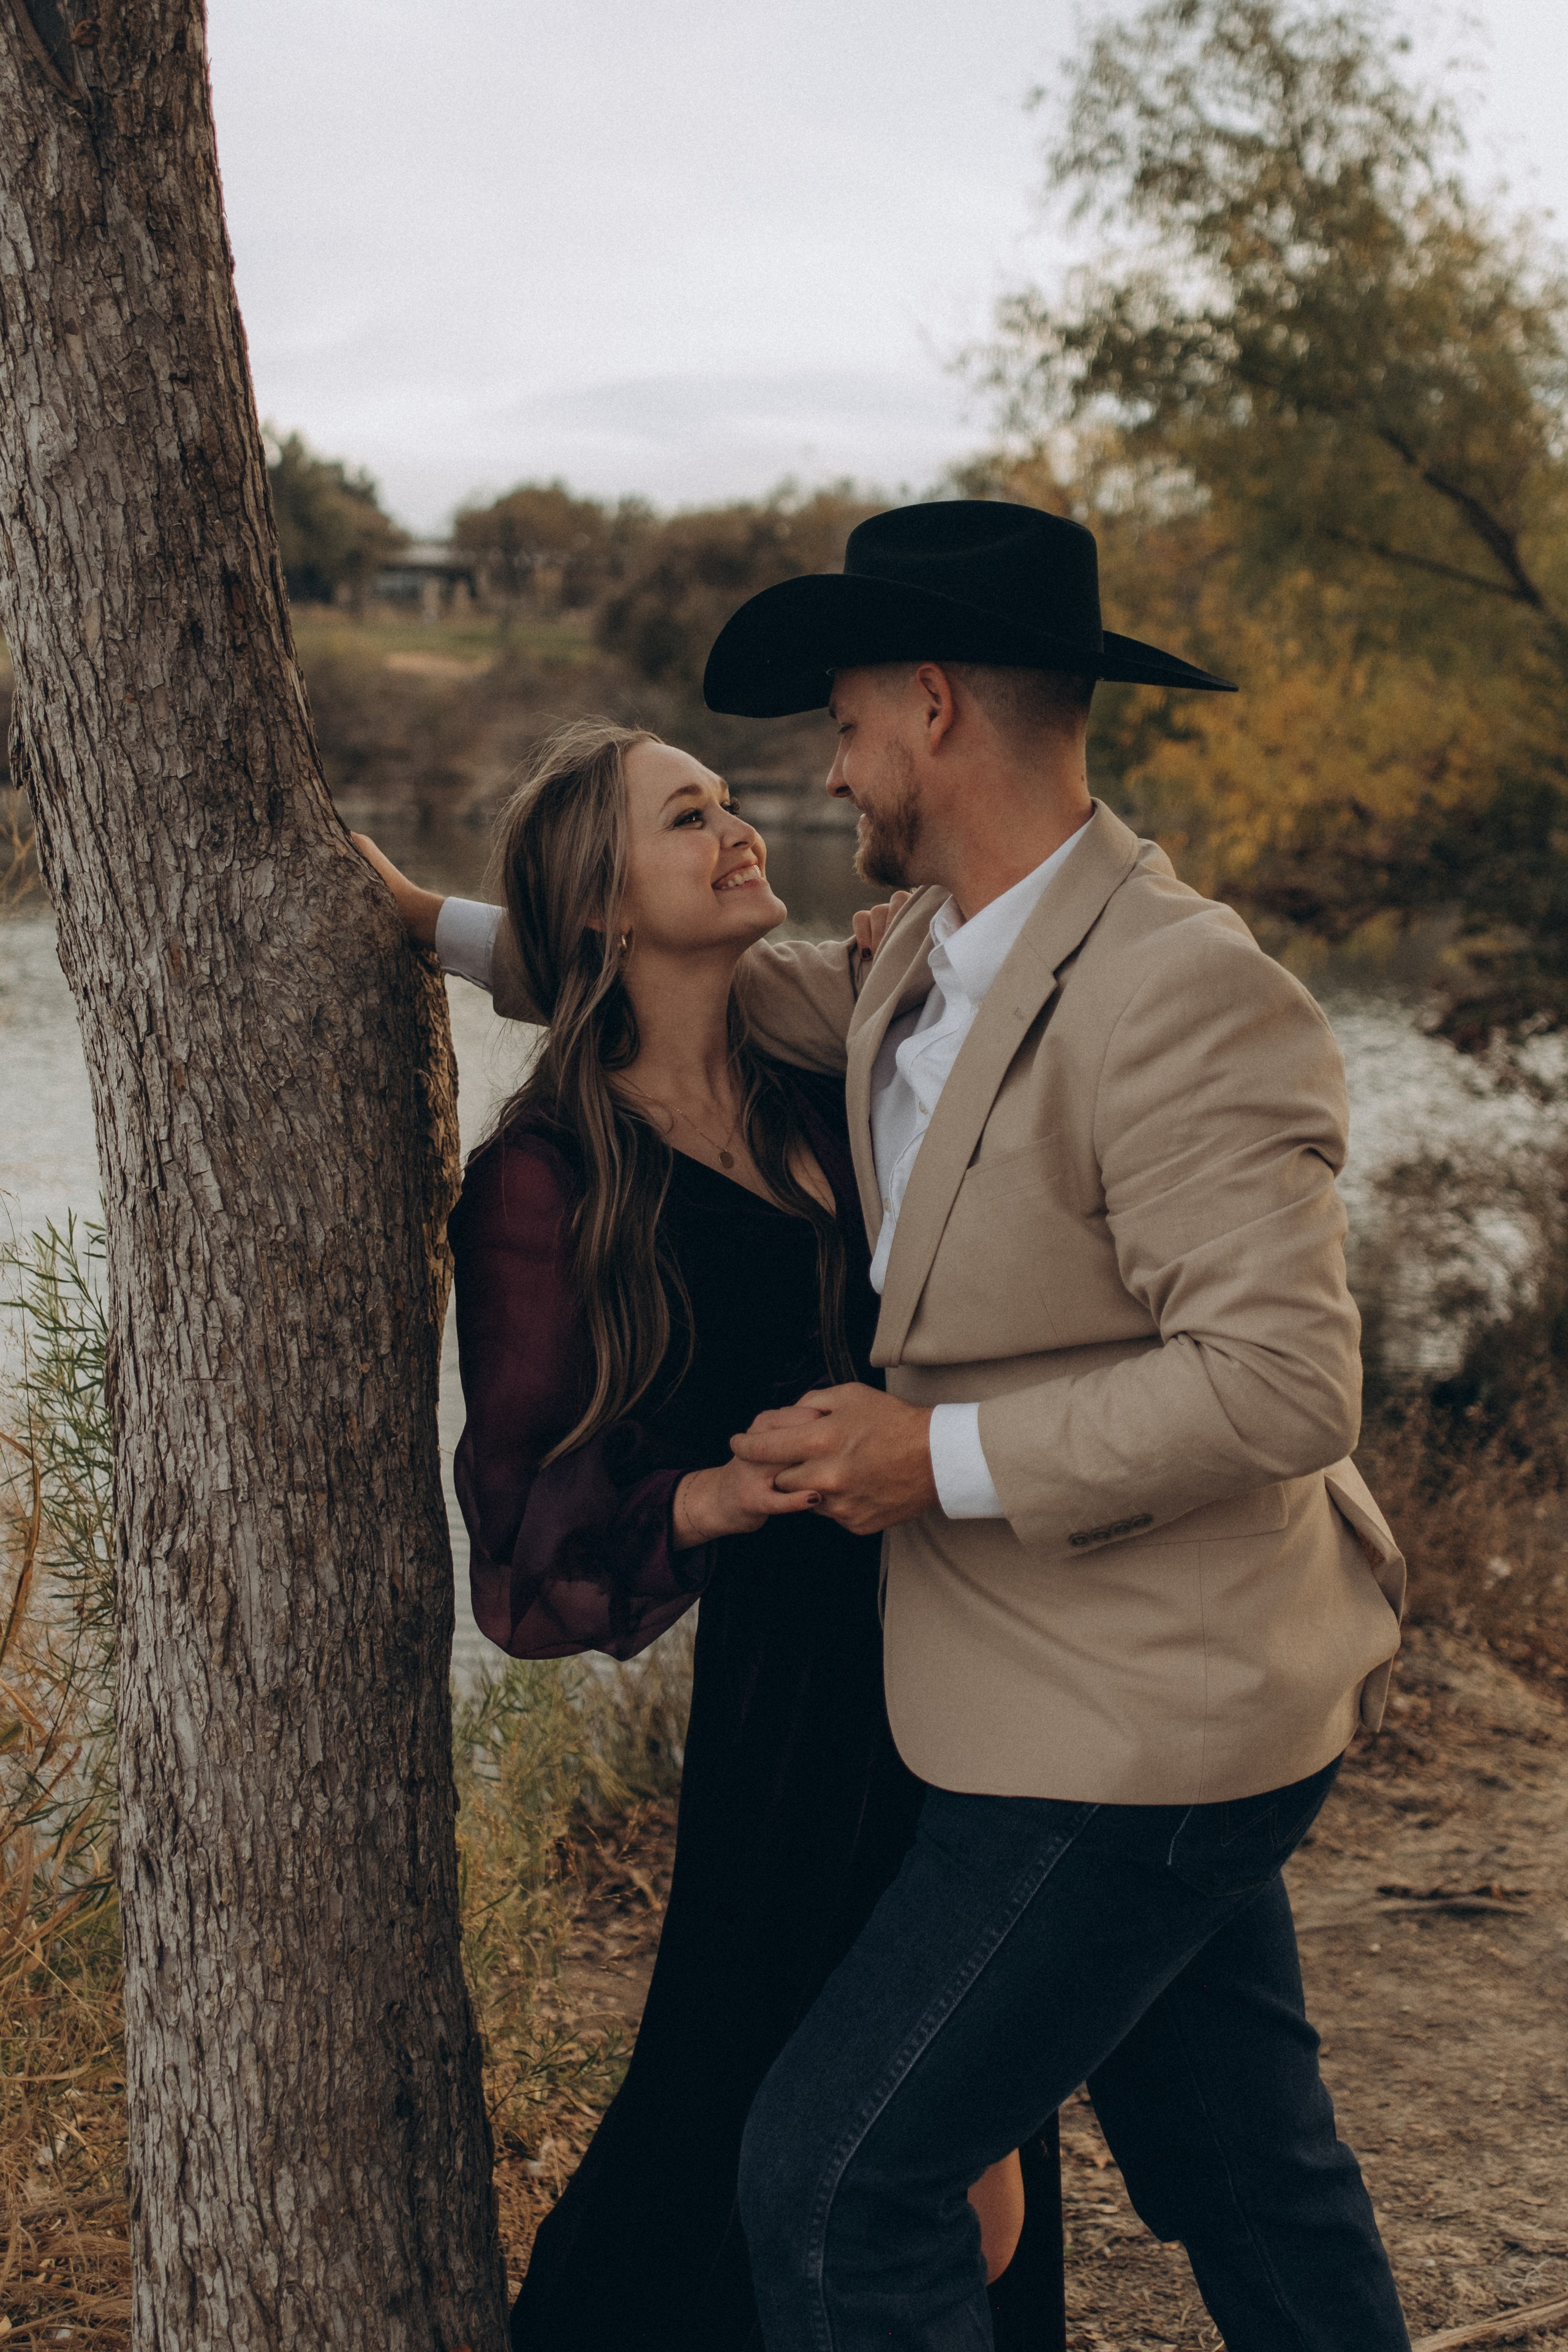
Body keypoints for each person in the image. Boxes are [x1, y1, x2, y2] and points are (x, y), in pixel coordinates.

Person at [421, 500, 1415, 2352]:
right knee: (1248, 2169)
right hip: (984, 1687)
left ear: (935, 708)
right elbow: (647, 984)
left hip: (1143, 1701)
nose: (826, 768)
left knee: (843, 2184)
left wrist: (923, 1458)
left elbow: (1286, 1382)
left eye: (848, 718)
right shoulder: (908, 975)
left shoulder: (1187, 989)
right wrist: (419, 922)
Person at [354, 714, 1061, 2352]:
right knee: (756, 2126)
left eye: (733, 801)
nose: (742, 829)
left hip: (982, 1643)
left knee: (969, 2153)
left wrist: (440, 923)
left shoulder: (833, 1071)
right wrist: (718, 1496)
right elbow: (523, 1540)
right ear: (605, 901)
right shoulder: (545, 1179)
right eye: (691, 817)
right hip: (806, 1703)